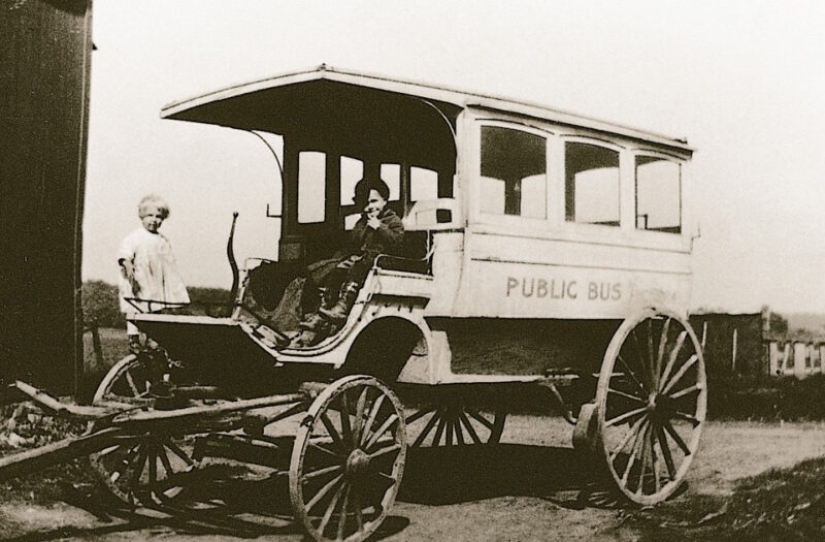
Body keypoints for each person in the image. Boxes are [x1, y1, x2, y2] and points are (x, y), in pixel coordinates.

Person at [292, 177, 404, 347]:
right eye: (366, 203)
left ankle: (342, 307)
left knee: (358, 266)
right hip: (363, 258)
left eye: (374, 201)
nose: (369, 207)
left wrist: (379, 227)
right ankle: (325, 309)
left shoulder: (393, 221)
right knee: (337, 269)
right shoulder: (363, 221)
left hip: (382, 261)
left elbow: (397, 242)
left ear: (385, 201)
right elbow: (354, 243)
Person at [118, 194, 190, 351]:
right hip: (138, 280)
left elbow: (169, 263)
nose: (154, 220)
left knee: (155, 309)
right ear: (141, 216)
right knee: (135, 308)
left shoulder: (162, 240)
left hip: (155, 282)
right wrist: (129, 268)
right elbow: (124, 255)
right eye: (150, 215)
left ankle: (152, 339)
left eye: (159, 217)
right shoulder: (135, 237)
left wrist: (174, 287)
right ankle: (133, 339)